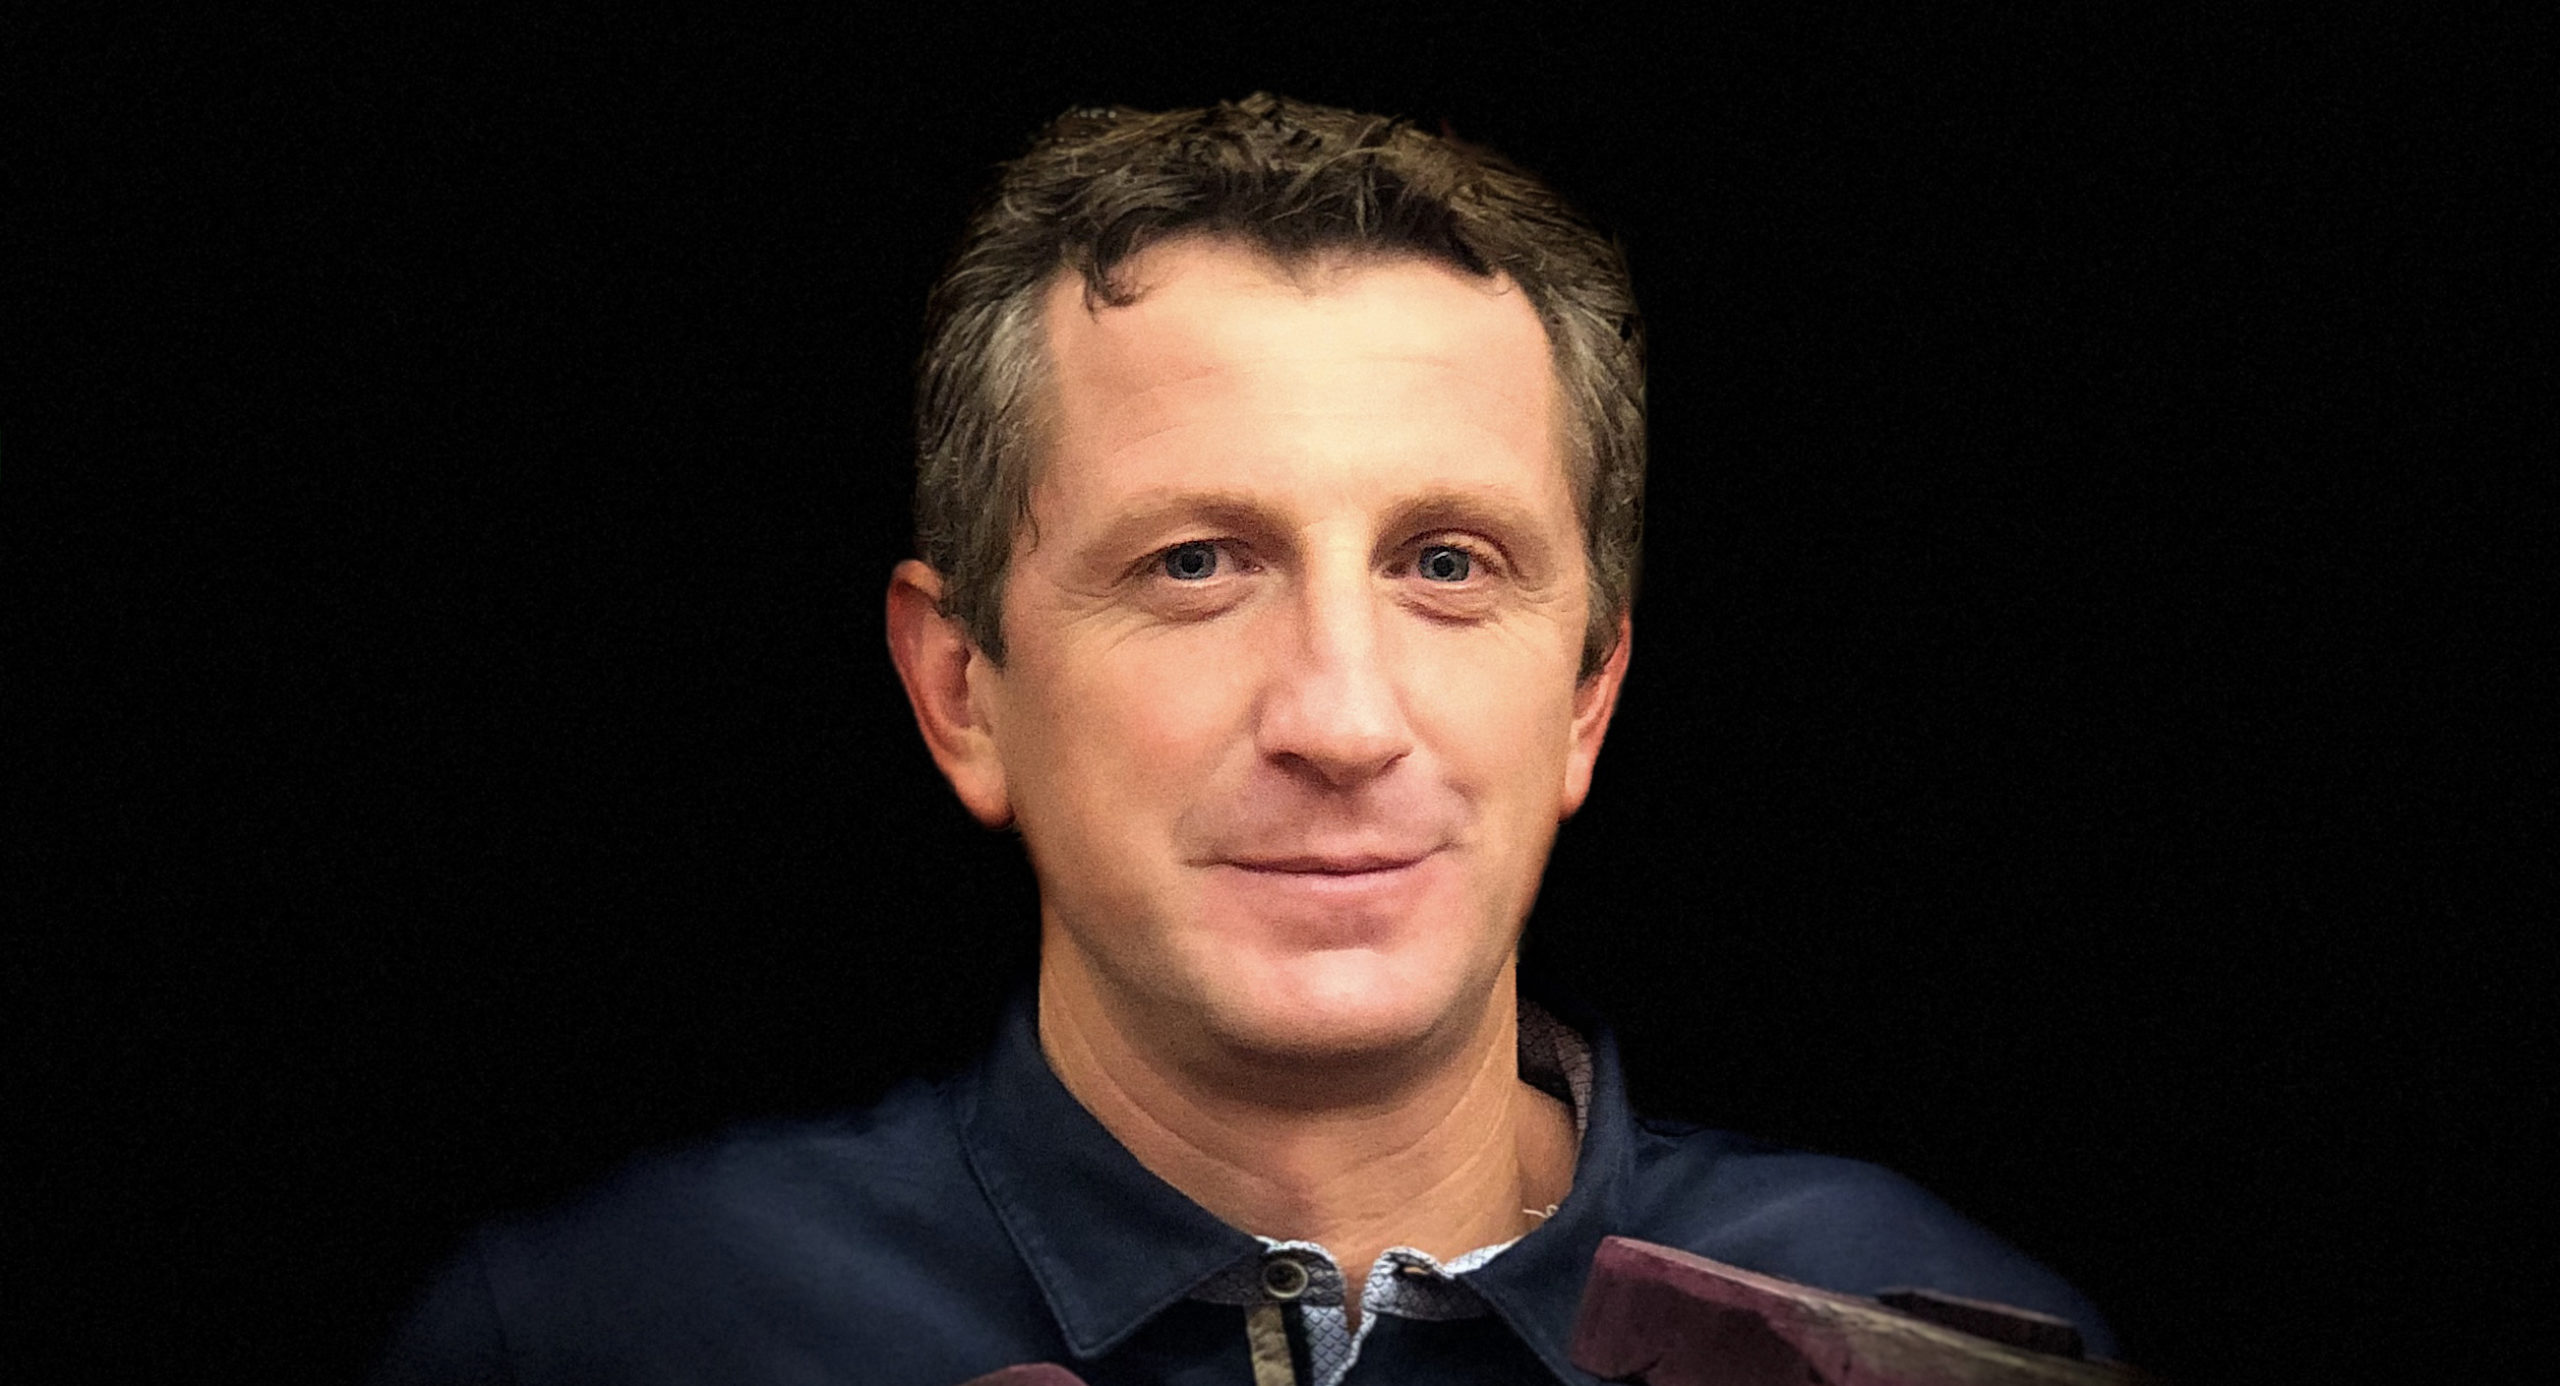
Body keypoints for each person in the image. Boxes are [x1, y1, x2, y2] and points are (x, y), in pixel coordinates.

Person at [373, 92, 2116, 1386]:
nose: (1341, 718)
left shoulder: (1935, 1333)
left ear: (1588, 692)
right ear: (963, 688)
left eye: (1448, 564)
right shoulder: (602, 1334)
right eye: (1197, 563)